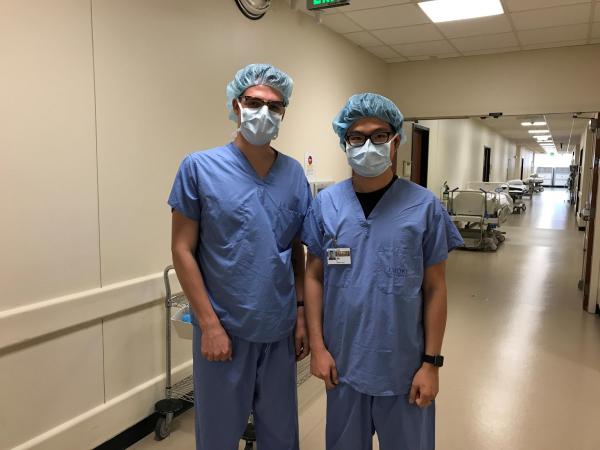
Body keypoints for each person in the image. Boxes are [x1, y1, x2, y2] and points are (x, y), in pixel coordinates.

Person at [301, 93, 464, 450]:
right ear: (345, 142)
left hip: (405, 368)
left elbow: (436, 289)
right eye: (356, 137)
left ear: (396, 142)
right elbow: (313, 276)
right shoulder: (327, 205)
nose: (367, 145)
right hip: (343, 365)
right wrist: (318, 347)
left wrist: (431, 364)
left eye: (378, 135)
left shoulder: (425, 207)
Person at [168, 63, 312, 450]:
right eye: (254, 102)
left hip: (279, 327)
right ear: (237, 104)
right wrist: (209, 324)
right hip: (224, 327)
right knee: (217, 436)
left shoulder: (294, 175)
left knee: (281, 436)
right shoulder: (199, 168)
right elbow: (182, 249)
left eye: (274, 106)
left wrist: (300, 314)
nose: (264, 112)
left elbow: (294, 249)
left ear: (283, 114)